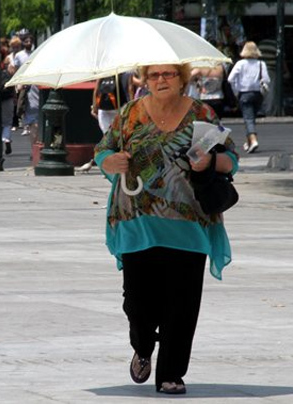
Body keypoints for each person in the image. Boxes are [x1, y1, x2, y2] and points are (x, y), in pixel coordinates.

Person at [94, 63, 238, 395]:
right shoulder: (130, 113)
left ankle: (171, 372)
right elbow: (103, 149)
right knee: (137, 302)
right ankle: (143, 346)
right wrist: (108, 162)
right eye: (154, 75)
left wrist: (210, 162)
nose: (161, 80)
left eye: (169, 74)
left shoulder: (201, 113)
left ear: (182, 79)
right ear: (144, 80)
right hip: (135, 221)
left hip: (189, 223)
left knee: (182, 303)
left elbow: (231, 158)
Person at [228, 41, 270, 154]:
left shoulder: (240, 64)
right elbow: (266, 80)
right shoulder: (261, 63)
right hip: (257, 94)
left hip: (244, 93)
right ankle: (249, 142)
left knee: (248, 118)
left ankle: (254, 140)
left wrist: (236, 90)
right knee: (251, 118)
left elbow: (230, 79)